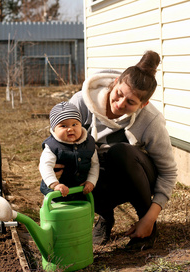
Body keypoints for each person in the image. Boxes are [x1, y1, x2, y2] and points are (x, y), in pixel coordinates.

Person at [56, 51, 177, 250]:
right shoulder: (82, 102)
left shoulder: (151, 121)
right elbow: (56, 140)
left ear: (143, 104)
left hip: (134, 175)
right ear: (115, 82)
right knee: (70, 156)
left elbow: (168, 173)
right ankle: (105, 217)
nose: (120, 104)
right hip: (96, 175)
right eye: (119, 94)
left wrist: (150, 217)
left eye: (131, 102)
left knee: (121, 152)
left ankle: (147, 226)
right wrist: (56, 167)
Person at [39, 101, 99, 198]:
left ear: (81, 125)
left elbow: (94, 165)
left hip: (80, 191)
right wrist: (54, 184)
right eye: (63, 126)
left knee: (81, 211)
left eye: (74, 124)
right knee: (57, 211)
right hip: (57, 194)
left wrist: (91, 181)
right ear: (54, 129)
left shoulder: (89, 144)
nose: (70, 129)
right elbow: (45, 166)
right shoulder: (52, 146)